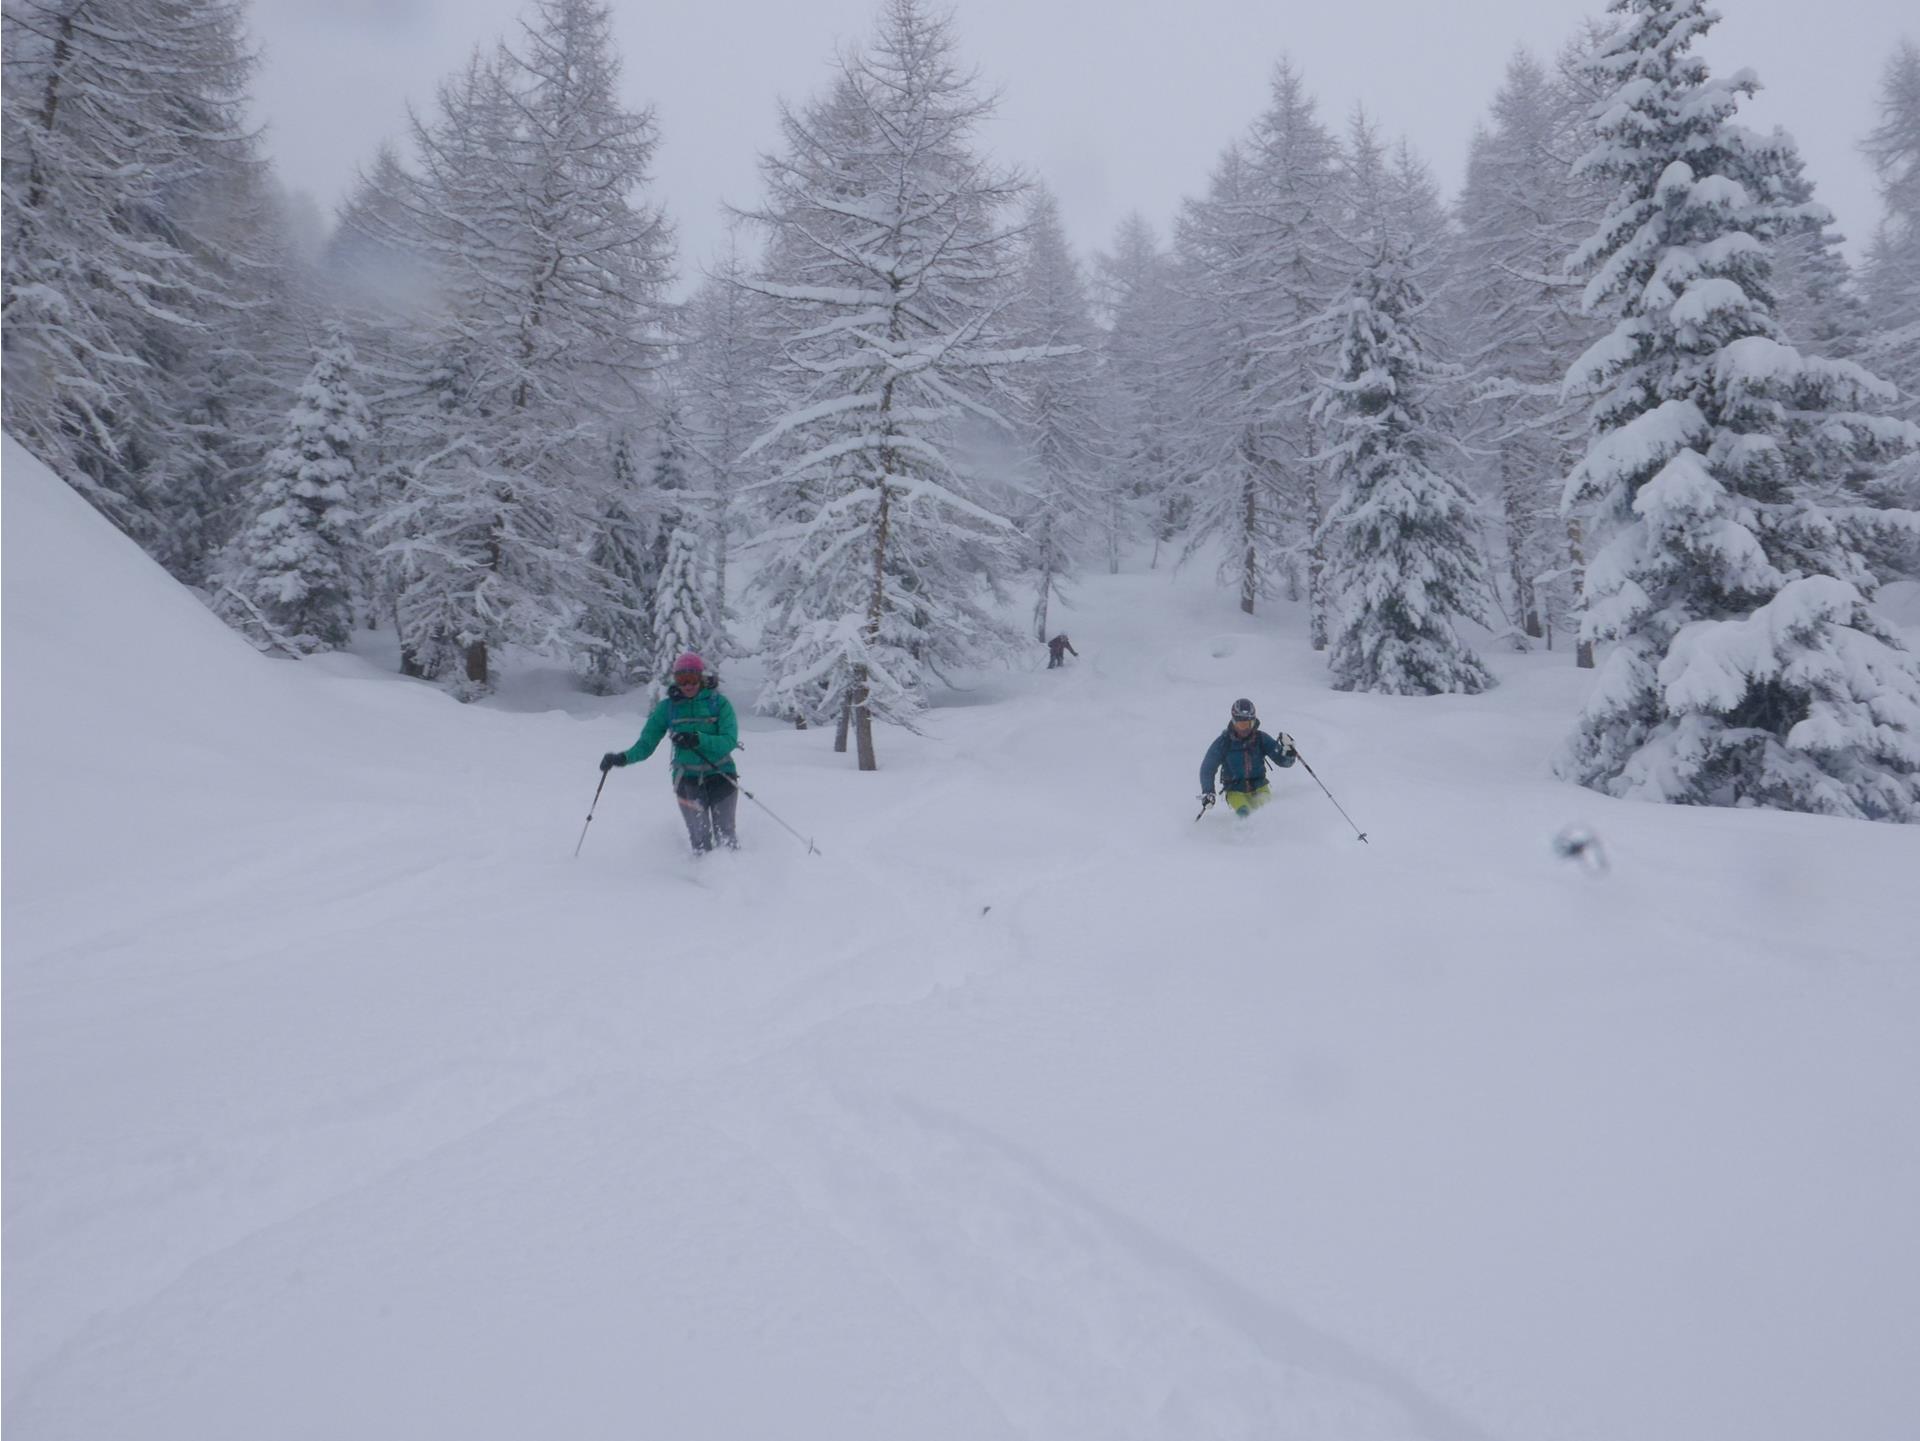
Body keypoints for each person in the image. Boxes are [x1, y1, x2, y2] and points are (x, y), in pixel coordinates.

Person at [600, 652, 741, 853]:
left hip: (722, 776)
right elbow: (646, 743)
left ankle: (734, 871)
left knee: (726, 835)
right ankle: (703, 870)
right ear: (675, 680)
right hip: (687, 781)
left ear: (700, 677)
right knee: (699, 840)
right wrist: (622, 758)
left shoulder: (718, 703)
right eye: (682, 680)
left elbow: (729, 741)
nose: (688, 685)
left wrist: (698, 738)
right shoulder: (667, 708)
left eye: (692, 679)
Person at [1199, 697, 1296, 818]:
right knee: (1245, 814)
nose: (1245, 729)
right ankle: (1243, 830)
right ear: (1234, 722)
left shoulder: (1261, 739)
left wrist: (1289, 752)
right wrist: (1208, 792)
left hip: (1260, 786)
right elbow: (1208, 768)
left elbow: (1283, 762)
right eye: (1241, 725)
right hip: (1234, 790)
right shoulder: (1224, 742)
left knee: (1267, 813)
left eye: (1249, 724)